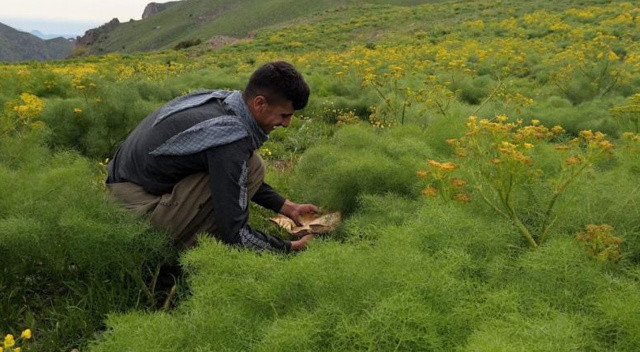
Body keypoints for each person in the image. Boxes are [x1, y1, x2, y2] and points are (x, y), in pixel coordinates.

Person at [106, 61, 317, 253]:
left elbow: (234, 175)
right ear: (259, 103)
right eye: (284, 115)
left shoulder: (224, 101)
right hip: (132, 211)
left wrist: (288, 208)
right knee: (253, 168)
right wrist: (289, 247)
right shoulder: (229, 137)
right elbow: (235, 234)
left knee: (250, 165)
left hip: (123, 189)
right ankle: (174, 250)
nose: (287, 124)